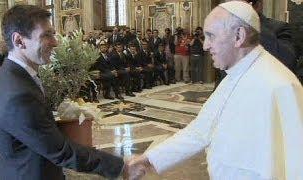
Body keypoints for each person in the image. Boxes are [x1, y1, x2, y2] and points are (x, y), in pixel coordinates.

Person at [124, 1, 303, 180]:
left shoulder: (281, 85)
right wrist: (149, 159)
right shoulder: (233, 75)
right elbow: (200, 130)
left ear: (239, 36)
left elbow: (295, 164)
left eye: (211, 36)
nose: (205, 46)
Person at [0, 5, 124, 180]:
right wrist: (120, 167)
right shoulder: (17, 93)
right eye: (46, 35)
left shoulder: (7, 75)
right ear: (19, 41)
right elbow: (61, 151)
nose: (55, 42)